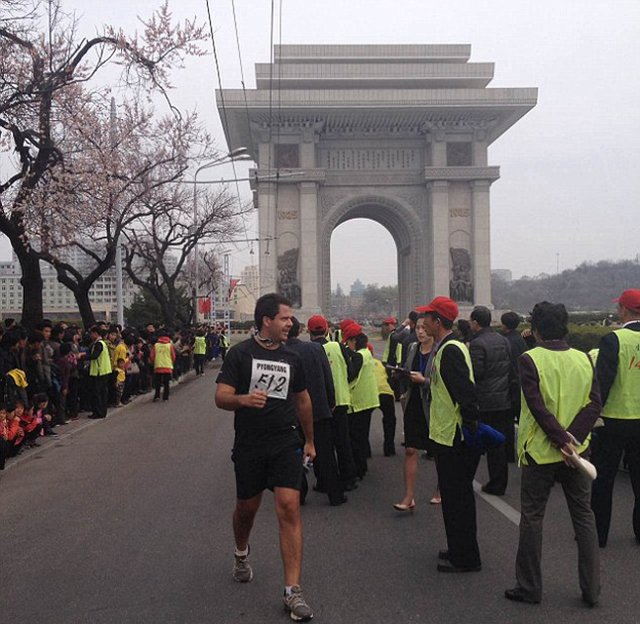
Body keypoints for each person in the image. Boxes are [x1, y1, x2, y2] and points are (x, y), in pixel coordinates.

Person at [214, 293, 316, 622]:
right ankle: (241, 553)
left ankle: (292, 591)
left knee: (288, 507)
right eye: (285, 318)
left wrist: (310, 440)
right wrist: (243, 400)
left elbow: (302, 400)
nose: (291, 323)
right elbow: (221, 397)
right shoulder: (240, 354)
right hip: (250, 443)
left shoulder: (293, 356)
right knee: (247, 508)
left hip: (286, 440)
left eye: (291, 319)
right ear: (266, 320)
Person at [505, 301, 601, 607]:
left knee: (532, 518)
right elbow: (594, 402)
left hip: (540, 452)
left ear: (535, 330)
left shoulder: (529, 358)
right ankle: (592, 589)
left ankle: (530, 587)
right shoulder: (584, 358)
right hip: (579, 453)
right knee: (584, 518)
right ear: (565, 327)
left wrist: (561, 440)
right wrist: (574, 440)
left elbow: (536, 405)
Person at [420, 296, 482, 573]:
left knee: (459, 500)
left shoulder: (451, 349)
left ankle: (466, 557)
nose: (423, 322)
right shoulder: (444, 346)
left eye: (427, 317)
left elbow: (467, 395)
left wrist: (470, 430)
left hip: (455, 436)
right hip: (446, 435)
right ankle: (458, 548)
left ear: (438, 320)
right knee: (454, 498)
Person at [591, 289, 640, 547]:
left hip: (614, 421)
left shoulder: (613, 340)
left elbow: (604, 383)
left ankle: (598, 535)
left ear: (623, 309)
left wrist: (591, 414)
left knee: (603, 481)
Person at [287, 317, 345, 506]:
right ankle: (334, 494)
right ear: (299, 331)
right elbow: (327, 377)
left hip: (290, 413)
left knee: (294, 455)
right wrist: (331, 401)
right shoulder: (314, 349)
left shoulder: (279, 351)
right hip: (318, 409)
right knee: (326, 453)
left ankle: (299, 495)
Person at [308, 315, 358, 492]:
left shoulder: (310, 350)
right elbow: (352, 371)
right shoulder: (337, 347)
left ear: (309, 331)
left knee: (322, 446)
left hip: (320, 406)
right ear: (327, 330)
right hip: (341, 400)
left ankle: (324, 481)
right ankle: (349, 479)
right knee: (343, 442)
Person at [468, 306, 514, 496]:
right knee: (498, 445)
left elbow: (476, 373)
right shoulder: (503, 340)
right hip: (503, 400)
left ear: (476, 323)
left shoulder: (478, 344)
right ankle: (499, 482)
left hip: (486, 401)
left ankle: (473, 480)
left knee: (478, 442)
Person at [393, 314, 435, 511]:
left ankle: (441, 490)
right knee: (410, 450)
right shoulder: (412, 348)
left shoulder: (443, 350)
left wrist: (424, 381)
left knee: (439, 453)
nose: (420, 331)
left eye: (424, 328)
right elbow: (408, 370)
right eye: (417, 327)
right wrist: (402, 377)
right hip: (414, 404)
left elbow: (445, 381)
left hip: (434, 405)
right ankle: (409, 497)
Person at [344, 323, 379, 480]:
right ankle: (362, 467)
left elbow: (350, 376)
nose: (347, 344)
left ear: (354, 340)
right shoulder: (367, 353)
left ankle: (359, 469)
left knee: (356, 437)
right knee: (362, 435)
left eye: (348, 341)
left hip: (359, 401)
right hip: (369, 400)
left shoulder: (358, 356)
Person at [501, 311, 527, 463]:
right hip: (522, 383)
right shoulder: (520, 339)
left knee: (508, 422)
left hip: (509, 384)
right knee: (522, 420)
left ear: (504, 324)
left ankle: (508, 453)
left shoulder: (504, 341)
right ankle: (524, 450)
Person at [85, 325, 112, 419]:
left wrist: (82, 356)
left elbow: (94, 356)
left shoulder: (98, 344)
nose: (90, 335)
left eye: (91, 333)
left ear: (95, 333)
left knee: (97, 394)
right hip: (104, 371)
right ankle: (102, 412)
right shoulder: (102, 343)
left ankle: (98, 412)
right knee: (102, 393)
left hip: (99, 372)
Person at [372, 356, 396, 456]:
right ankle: (389, 448)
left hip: (370, 393)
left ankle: (365, 450)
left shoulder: (359, 360)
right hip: (386, 392)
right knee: (390, 420)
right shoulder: (382, 364)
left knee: (363, 422)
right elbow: (390, 378)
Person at [151, 330, 176, 402]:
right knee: (166, 383)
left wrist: (154, 362)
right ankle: (165, 397)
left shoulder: (156, 345)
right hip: (167, 366)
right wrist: (171, 362)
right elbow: (173, 356)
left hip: (158, 366)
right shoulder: (169, 345)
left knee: (158, 383)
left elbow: (152, 356)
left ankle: (157, 396)